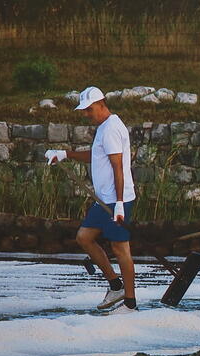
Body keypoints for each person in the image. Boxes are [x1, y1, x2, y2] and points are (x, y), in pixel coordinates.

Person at [45, 86, 138, 314]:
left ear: (101, 104)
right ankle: (115, 285)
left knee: (120, 249)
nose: (87, 114)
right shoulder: (104, 128)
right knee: (84, 237)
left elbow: (118, 168)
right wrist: (65, 154)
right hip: (104, 199)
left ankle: (130, 303)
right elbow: (96, 155)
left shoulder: (112, 129)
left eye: (89, 109)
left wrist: (118, 204)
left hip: (118, 199)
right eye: (84, 110)